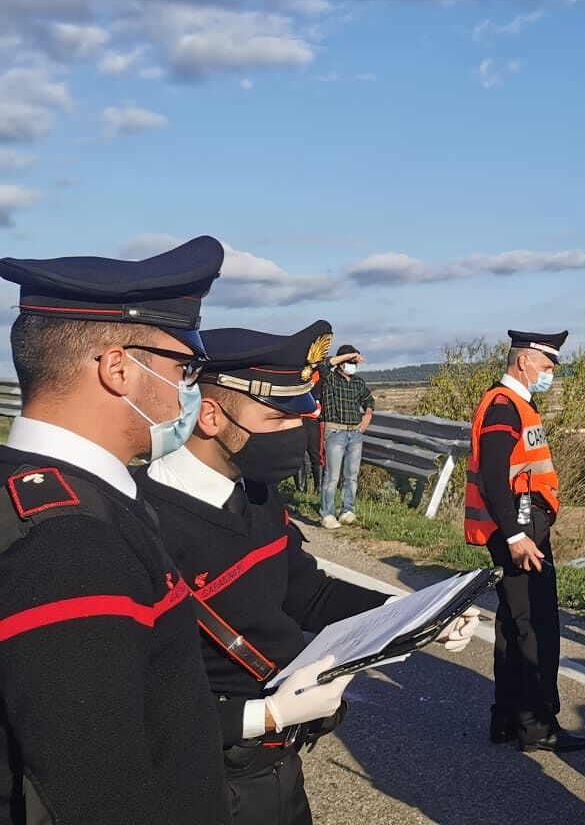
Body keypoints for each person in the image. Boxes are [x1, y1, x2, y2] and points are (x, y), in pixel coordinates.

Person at [136, 320, 480, 824]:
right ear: (210, 416)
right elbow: (130, 698)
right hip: (199, 778)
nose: (296, 431)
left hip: (278, 766)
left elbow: (308, 593)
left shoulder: (254, 492)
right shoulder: (139, 524)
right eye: (279, 417)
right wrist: (265, 715)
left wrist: (416, 615)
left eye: (303, 415)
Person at [0, 236, 233, 824]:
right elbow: (97, 791)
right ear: (117, 368)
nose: (191, 388)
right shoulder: (71, 543)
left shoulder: (46, 492)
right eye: (184, 367)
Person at [465, 329, 585, 752]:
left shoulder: (514, 403)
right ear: (524, 362)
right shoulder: (505, 407)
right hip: (519, 527)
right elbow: (493, 477)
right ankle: (537, 725)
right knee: (535, 624)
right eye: (547, 365)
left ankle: (506, 717)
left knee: (512, 621)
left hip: (520, 524)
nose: (551, 373)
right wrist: (516, 534)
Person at [316, 344, 372, 529]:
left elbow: (368, 400)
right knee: (332, 476)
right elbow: (323, 364)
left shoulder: (358, 383)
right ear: (340, 362)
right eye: (349, 362)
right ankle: (327, 513)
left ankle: (348, 510)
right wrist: (349, 355)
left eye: (354, 362)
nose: (352, 365)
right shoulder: (330, 379)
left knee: (351, 475)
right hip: (335, 432)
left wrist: (368, 414)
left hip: (355, 432)